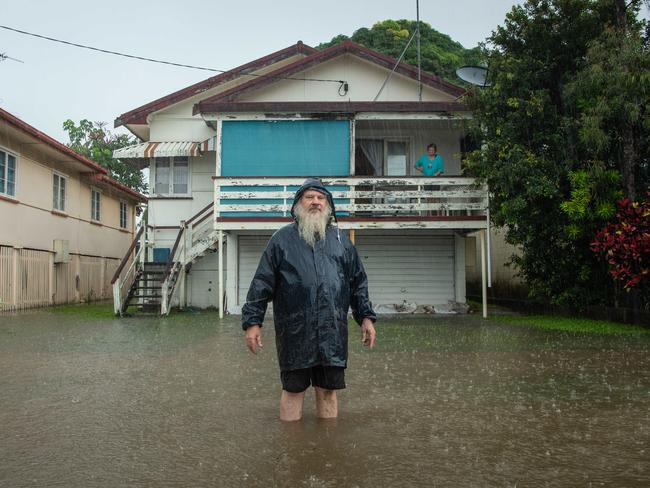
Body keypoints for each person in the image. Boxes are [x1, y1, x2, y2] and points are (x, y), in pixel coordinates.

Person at [242, 178, 377, 422]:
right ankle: (292, 448)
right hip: (295, 332)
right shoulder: (281, 241)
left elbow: (358, 282)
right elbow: (261, 283)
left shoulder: (341, 242)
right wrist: (253, 322)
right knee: (293, 391)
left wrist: (366, 317)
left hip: (332, 332)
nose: (315, 202)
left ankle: (327, 445)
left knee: (327, 392)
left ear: (328, 204)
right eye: (309, 197)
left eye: (320, 197)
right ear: (298, 204)